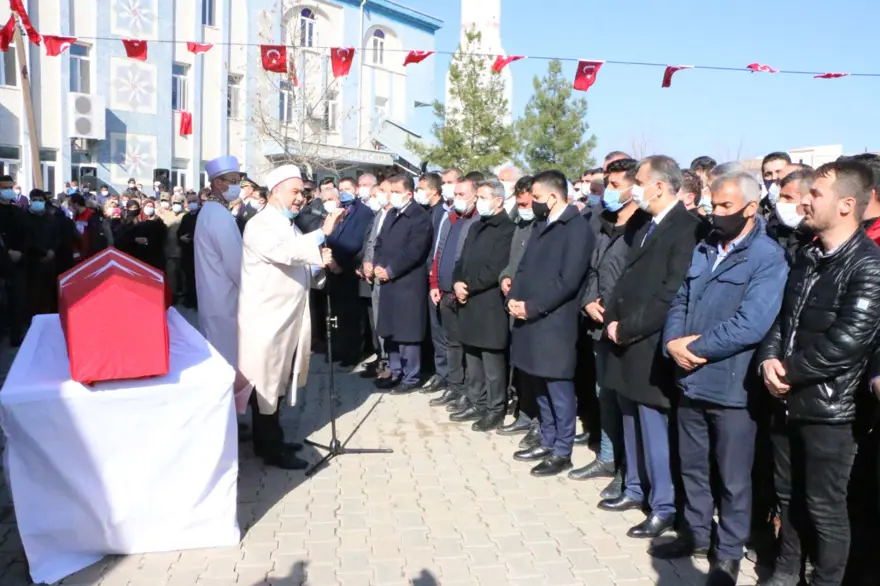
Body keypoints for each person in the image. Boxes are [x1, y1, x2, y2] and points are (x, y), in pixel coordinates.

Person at [656, 172, 788, 585]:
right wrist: (673, 343)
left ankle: (729, 553)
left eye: (726, 206)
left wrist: (695, 348)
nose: (716, 213)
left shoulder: (767, 257)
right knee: (692, 467)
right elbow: (680, 299)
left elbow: (751, 324)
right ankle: (696, 534)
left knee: (732, 479)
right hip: (689, 380)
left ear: (751, 208)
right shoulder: (705, 247)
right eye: (713, 205)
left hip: (732, 388)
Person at [756, 160, 880, 586]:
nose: (805, 201)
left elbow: (848, 342)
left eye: (816, 194)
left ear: (846, 205)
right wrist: (769, 361)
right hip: (785, 398)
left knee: (825, 506)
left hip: (831, 410)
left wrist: (788, 372)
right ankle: (785, 571)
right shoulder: (807, 255)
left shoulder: (869, 266)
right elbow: (782, 319)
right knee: (787, 494)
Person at [599, 155, 701, 539]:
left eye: (639, 182)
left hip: (649, 343)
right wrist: (611, 319)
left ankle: (664, 506)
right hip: (622, 338)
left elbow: (670, 294)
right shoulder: (644, 223)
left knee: (653, 427)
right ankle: (634, 487)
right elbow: (626, 278)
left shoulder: (688, 228)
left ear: (659, 186)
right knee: (630, 419)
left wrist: (627, 328)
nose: (633, 188)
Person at [238, 165, 341, 470]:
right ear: (276, 191)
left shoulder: (288, 224)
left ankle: (272, 440)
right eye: (295, 192)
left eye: (303, 193)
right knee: (266, 384)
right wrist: (321, 234)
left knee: (278, 383)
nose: (300, 198)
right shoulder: (260, 224)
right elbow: (284, 252)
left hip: (287, 318)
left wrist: (318, 265)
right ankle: (270, 449)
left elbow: (298, 260)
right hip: (266, 320)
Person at [507, 170, 593, 477]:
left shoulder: (577, 229)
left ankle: (562, 450)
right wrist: (514, 299)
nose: (534, 203)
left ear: (554, 197)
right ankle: (546, 439)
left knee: (558, 388)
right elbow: (524, 267)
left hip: (554, 321)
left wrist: (532, 307)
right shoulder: (541, 224)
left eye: (538, 198)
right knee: (538, 383)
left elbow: (568, 281)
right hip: (529, 318)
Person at [569, 158, 647, 496]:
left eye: (615, 186)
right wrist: (588, 300)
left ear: (634, 187)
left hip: (626, 328)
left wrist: (617, 314)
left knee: (625, 400)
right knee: (604, 394)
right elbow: (593, 269)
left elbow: (639, 282)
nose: (608, 192)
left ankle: (628, 470)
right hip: (599, 325)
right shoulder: (604, 223)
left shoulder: (644, 228)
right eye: (608, 185)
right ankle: (607, 457)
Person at [451, 180, 516, 431]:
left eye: (483, 197)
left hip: (489, 304)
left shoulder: (507, 229)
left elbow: (495, 268)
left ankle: (495, 409)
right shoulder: (476, 226)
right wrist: (457, 282)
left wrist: (468, 286)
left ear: (498, 200)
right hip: (467, 301)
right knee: (473, 359)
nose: (478, 202)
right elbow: (462, 259)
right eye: (477, 197)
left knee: (492, 364)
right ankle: (475, 401)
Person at [373, 174, 433, 393]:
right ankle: (395, 371)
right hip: (388, 282)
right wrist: (378, 265)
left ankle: (411, 377)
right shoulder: (392, 214)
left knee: (407, 334)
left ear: (408, 194)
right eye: (391, 192)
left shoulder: (419, 217)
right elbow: (380, 243)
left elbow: (414, 251)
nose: (392, 196)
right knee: (390, 331)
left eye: (396, 192)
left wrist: (390, 270)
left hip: (407, 284)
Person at [427, 176, 480, 409]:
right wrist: (434, 284)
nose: (456, 198)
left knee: (467, 345)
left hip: (464, 293)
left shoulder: (477, 221)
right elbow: (439, 253)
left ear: (475, 196)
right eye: (455, 194)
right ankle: (454, 386)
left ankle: (469, 392)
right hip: (445, 292)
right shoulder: (450, 219)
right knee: (451, 343)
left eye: (462, 194)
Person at [195, 156, 244, 371]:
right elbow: (235, 263)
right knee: (228, 358)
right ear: (217, 183)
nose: (237, 186)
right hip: (225, 297)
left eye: (238, 181)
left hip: (214, 293)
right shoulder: (219, 215)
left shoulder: (211, 211)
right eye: (232, 181)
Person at [497, 176, 537, 439]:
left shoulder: (544, 227)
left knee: (534, 367)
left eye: (526, 203)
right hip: (513, 303)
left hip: (533, 306)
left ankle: (536, 420)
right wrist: (505, 277)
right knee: (519, 363)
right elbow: (511, 260)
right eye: (519, 203)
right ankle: (523, 412)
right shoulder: (519, 225)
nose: (522, 208)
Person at [324, 176, 373, 367]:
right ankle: (338, 349)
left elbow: (355, 242)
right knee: (337, 315)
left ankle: (353, 353)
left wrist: (340, 263)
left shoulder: (363, 212)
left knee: (352, 315)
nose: (344, 192)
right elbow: (332, 236)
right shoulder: (339, 211)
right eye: (341, 189)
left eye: (348, 189)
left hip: (350, 269)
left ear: (355, 190)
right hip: (333, 268)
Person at [420, 172, 449, 394]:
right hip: (428, 278)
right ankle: (437, 371)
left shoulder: (442, 213)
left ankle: (444, 375)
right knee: (433, 330)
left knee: (441, 332)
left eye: (421, 189)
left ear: (433, 190)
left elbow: (436, 247)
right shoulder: (427, 211)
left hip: (437, 278)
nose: (419, 193)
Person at [361, 183, 392, 381]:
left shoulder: (395, 216)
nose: (377, 196)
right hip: (374, 276)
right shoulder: (379, 214)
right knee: (378, 319)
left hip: (388, 275)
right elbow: (371, 242)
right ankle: (382, 358)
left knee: (388, 321)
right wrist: (366, 262)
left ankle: (390, 363)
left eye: (381, 192)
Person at [23, 190, 61, 317]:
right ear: (30, 201)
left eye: (40, 200)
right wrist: (43, 252)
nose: (37, 202)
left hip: (50, 261)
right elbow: (26, 239)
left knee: (47, 292)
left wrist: (51, 251)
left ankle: (46, 316)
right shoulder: (24, 218)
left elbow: (57, 237)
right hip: (32, 260)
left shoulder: (51, 218)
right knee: (32, 293)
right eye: (34, 200)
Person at [773, 169, 816, 261]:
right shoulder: (772, 229)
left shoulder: (817, 240)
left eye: (788, 197)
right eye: (780, 196)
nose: (780, 202)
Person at [114, 199, 167, 271]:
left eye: (151, 206)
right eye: (147, 206)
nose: (149, 208)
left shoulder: (158, 221)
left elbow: (161, 236)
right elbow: (126, 236)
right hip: (137, 255)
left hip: (153, 255)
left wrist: (148, 241)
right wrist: (134, 239)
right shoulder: (135, 220)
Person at [162, 192, 187, 302]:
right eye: (174, 203)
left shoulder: (186, 216)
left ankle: (185, 294)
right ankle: (173, 295)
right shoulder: (167, 215)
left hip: (182, 250)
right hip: (169, 249)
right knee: (171, 273)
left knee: (183, 273)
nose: (176, 205)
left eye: (178, 203)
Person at [178, 191, 201, 309]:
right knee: (188, 277)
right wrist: (181, 237)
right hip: (187, 251)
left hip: (198, 252)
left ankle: (197, 301)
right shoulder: (186, 217)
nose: (192, 203)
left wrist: (192, 237)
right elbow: (180, 231)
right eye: (190, 201)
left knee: (198, 279)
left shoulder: (202, 216)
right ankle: (189, 300)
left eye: (194, 201)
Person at [70, 194, 104, 262]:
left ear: (76, 204)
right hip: (79, 251)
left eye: (70, 204)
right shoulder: (76, 216)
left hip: (89, 254)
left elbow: (94, 237)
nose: (70, 206)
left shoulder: (91, 215)